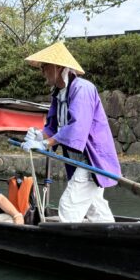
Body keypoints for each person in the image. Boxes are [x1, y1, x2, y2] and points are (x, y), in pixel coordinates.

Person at [21, 42, 121, 223]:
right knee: (95, 208)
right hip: (78, 158)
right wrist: (38, 135)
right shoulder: (59, 93)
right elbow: (52, 127)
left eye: (45, 66)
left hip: (92, 158)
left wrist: (45, 144)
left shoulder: (82, 88)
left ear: (58, 67)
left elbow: (77, 127)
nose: (42, 71)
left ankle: (66, 246)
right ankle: (113, 241)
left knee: (69, 205)